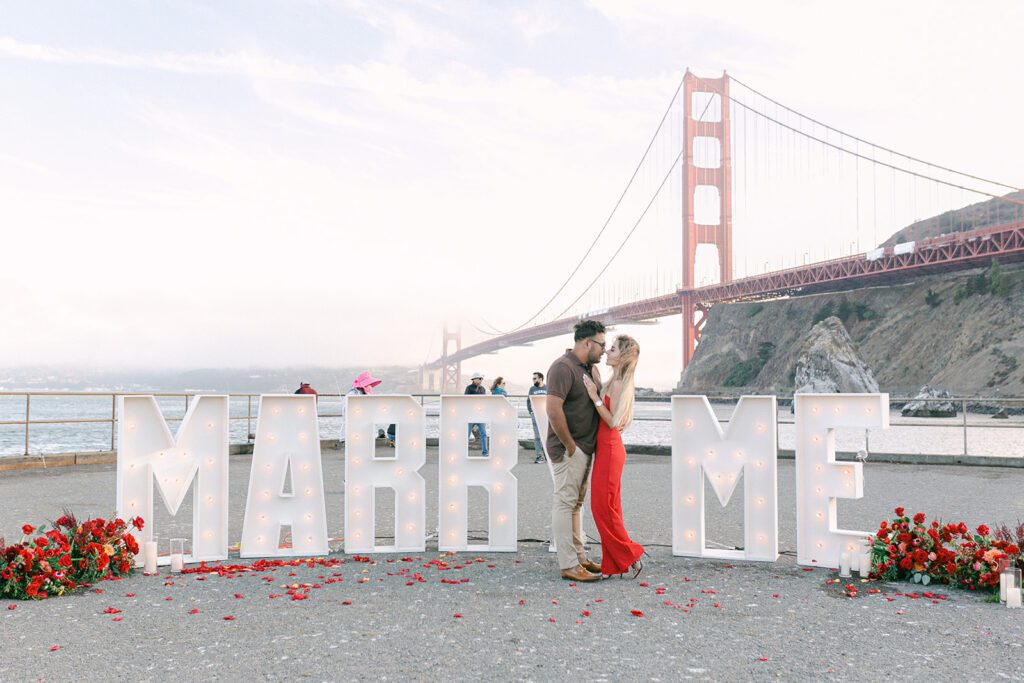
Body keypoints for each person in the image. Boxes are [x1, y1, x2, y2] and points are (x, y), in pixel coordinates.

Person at [545, 319, 606, 582]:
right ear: (586, 343)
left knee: (576, 504)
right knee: (565, 502)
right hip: (570, 448)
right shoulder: (562, 367)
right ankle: (568, 564)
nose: (604, 350)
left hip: (586, 446)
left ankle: (579, 557)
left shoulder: (591, 370)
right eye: (601, 345)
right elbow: (553, 409)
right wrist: (569, 445)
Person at [583, 335, 645, 579]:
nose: (608, 351)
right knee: (610, 508)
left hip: (610, 449)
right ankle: (614, 564)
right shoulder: (614, 380)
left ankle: (631, 554)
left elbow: (612, 421)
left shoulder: (620, 384)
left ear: (623, 356)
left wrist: (594, 396)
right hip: (606, 449)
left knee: (602, 508)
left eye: (613, 349)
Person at [464, 372, 488, 456]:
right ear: (474, 379)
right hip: (470, 414)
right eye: (480, 379)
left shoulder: (483, 389)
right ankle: (463, 452)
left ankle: (485, 453)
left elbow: (484, 401)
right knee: (467, 434)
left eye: (482, 379)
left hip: (480, 414)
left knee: (483, 434)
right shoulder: (469, 388)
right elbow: (466, 400)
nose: (481, 380)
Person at [527, 372, 547, 463]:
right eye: (533, 379)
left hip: (546, 416)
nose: (533, 380)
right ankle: (539, 456)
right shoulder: (532, 389)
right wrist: (531, 411)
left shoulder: (547, 388)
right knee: (537, 436)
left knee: (547, 435)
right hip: (535, 416)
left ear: (540, 379)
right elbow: (528, 401)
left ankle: (547, 454)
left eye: (535, 378)